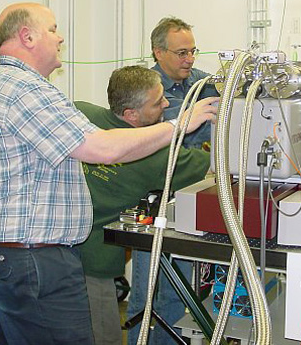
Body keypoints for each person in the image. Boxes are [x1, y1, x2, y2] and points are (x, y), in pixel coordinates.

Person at [0, 2, 217, 345]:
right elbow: (101, 148)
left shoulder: (10, 87)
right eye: (52, 29)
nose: (60, 36)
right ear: (27, 36)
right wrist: (180, 124)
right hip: (35, 260)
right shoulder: (23, 90)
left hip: (21, 256)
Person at [75, 65, 212, 345]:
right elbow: (215, 167)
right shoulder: (158, 157)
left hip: (54, 255)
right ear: (131, 115)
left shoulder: (80, 113)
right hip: (94, 266)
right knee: (105, 338)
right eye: (158, 102)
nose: (166, 104)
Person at [150, 16, 219, 150]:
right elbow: (196, 129)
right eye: (182, 53)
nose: (190, 59)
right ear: (159, 53)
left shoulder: (196, 78)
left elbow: (227, 90)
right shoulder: (150, 89)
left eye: (192, 52)